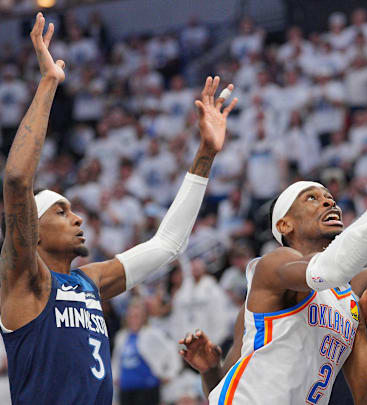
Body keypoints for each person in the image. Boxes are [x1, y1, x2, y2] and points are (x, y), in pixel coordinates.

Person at [0, 13, 238, 405]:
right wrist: (48, 84)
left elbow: (168, 243)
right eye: (60, 212)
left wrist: (205, 155)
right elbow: (16, 181)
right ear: (34, 231)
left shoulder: (90, 282)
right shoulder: (25, 280)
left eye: (72, 209)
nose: (76, 217)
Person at [181, 123, 367, 404]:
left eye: (331, 198)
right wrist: (211, 371)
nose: (329, 203)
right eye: (313, 198)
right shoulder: (272, 273)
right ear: (285, 224)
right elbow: (229, 388)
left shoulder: (358, 284)